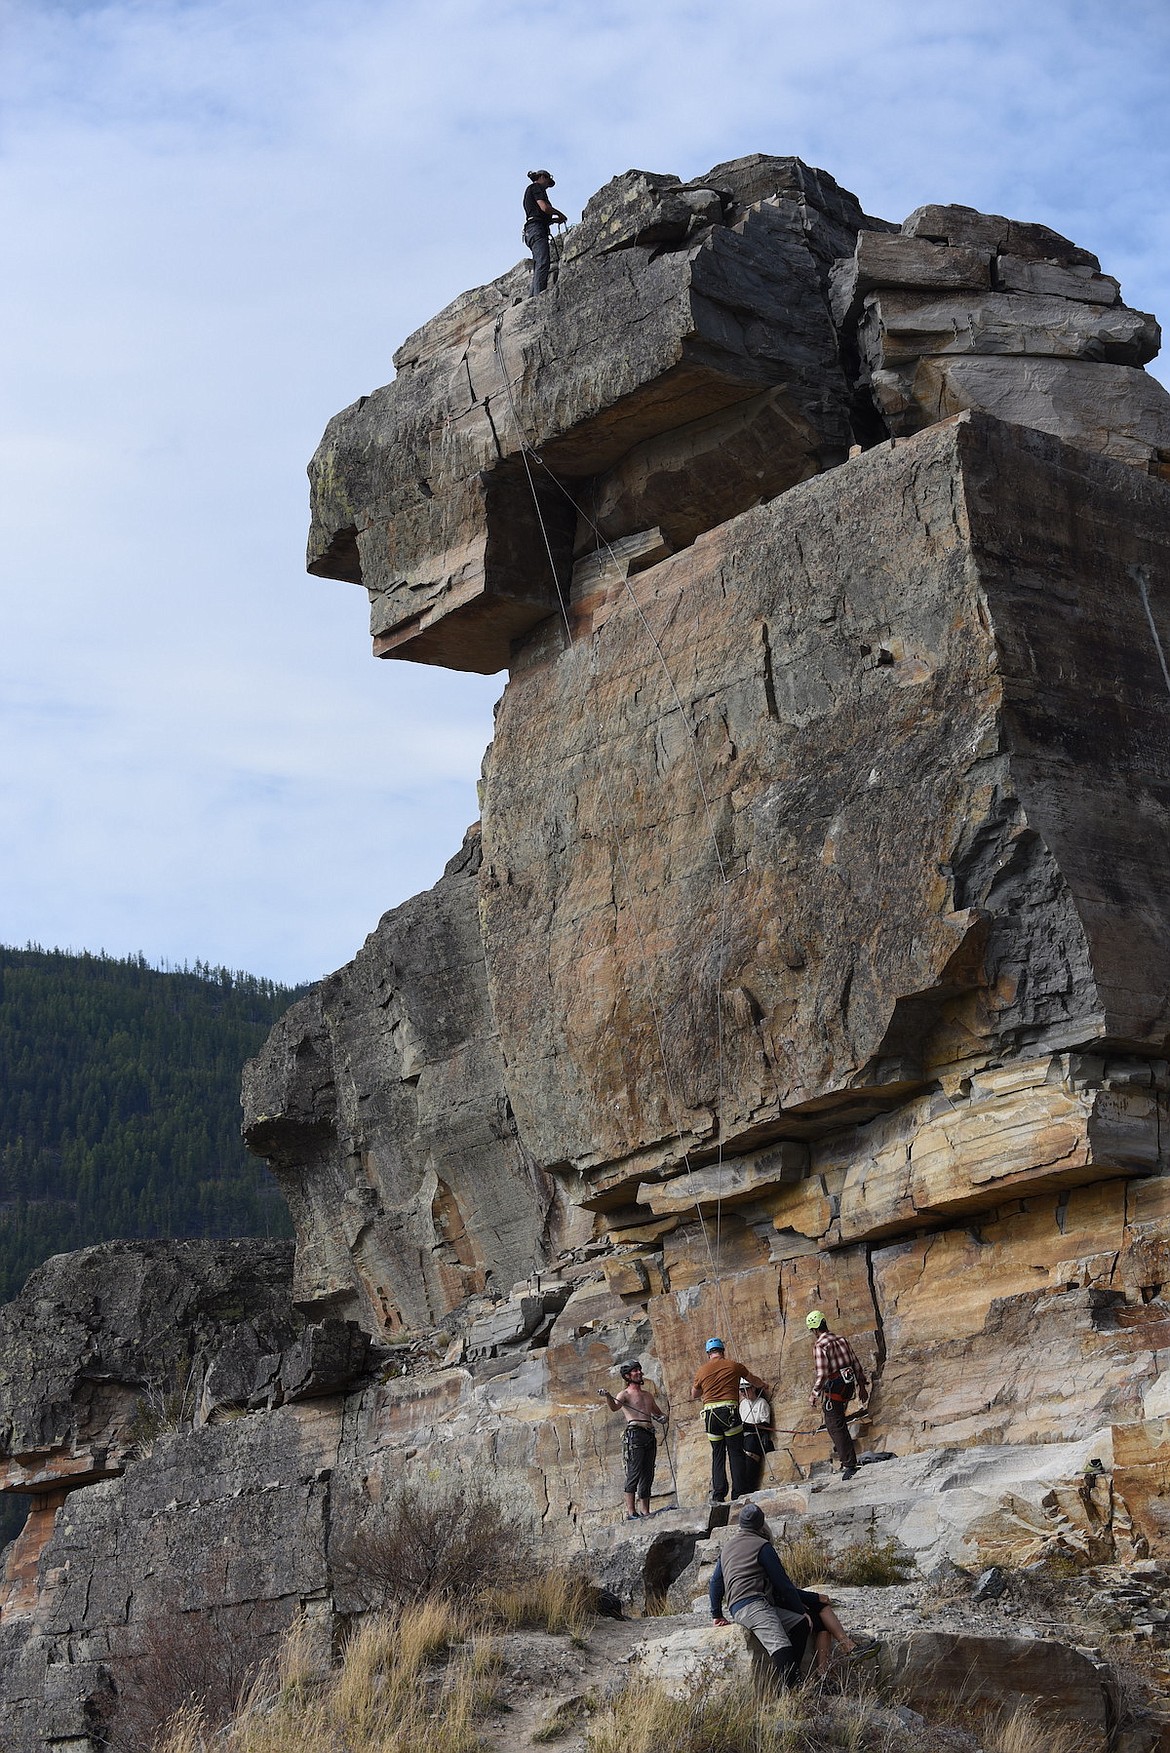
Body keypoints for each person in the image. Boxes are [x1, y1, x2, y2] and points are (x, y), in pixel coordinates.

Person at [708, 1501, 812, 1689]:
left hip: (737, 1607)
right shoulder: (762, 1546)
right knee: (781, 1646)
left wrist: (716, 1614)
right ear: (761, 1524)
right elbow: (783, 1584)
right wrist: (800, 1609)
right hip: (754, 1605)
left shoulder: (728, 1547)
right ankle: (792, 1694)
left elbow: (715, 1582)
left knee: (800, 1624)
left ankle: (793, 1682)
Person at [690, 1337, 769, 1503]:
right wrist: (763, 1385)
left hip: (710, 1415)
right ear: (722, 1351)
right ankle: (738, 1493)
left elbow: (694, 1394)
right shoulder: (734, 1366)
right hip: (729, 1412)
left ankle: (718, 1494)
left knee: (717, 1453)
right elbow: (752, 1379)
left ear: (708, 1354)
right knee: (735, 1452)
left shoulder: (702, 1370)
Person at [598, 1359, 668, 1519]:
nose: (639, 1373)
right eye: (635, 1371)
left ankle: (645, 1511)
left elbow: (658, 1413)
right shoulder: (625, 1394)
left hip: (649, 1434)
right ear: (628, 1376)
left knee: (648, 1473)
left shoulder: (647, 1395)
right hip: (634, 1434)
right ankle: (631, 1512)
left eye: (639, 1370)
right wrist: (608, 1396)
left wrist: (662, 1418)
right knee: (634, 1472)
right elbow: (614, 1407)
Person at [805, 1310, 869, 1481]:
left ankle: (849, 1465)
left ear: (813, 1330)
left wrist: (814, 1394)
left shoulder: (820, 1345)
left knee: (834, 1424)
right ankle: (849, 1460)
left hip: (835, 1387)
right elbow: (855, 1363)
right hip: (848, 1385)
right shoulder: (841, 1339)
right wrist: (862, 1386)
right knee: (839, 1420)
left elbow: (822, 1373)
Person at [523, 170, 566, 296]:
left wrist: (553, 220)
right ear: (542, 177)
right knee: (543, 263)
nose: (547, 186)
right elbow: (544, 207)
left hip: (532, 230)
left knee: (539, 265)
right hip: (536, 230)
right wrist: (559, 213)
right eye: (547, 182)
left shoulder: (531, 190)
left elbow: (539, 214)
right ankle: (538, 299)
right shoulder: (536, 187)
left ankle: (532, 298)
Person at [739, 1375, 775, 1494]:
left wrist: (748, 1426)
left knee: (750, 1444)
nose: (743, 1393)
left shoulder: (761, 1403)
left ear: (753, 1388)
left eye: (745, 1390)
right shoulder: (742, 1404)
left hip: (755, 1437)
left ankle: (750, 1487)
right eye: (741, 1391)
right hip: (744, 1437)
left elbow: (766, 1426)